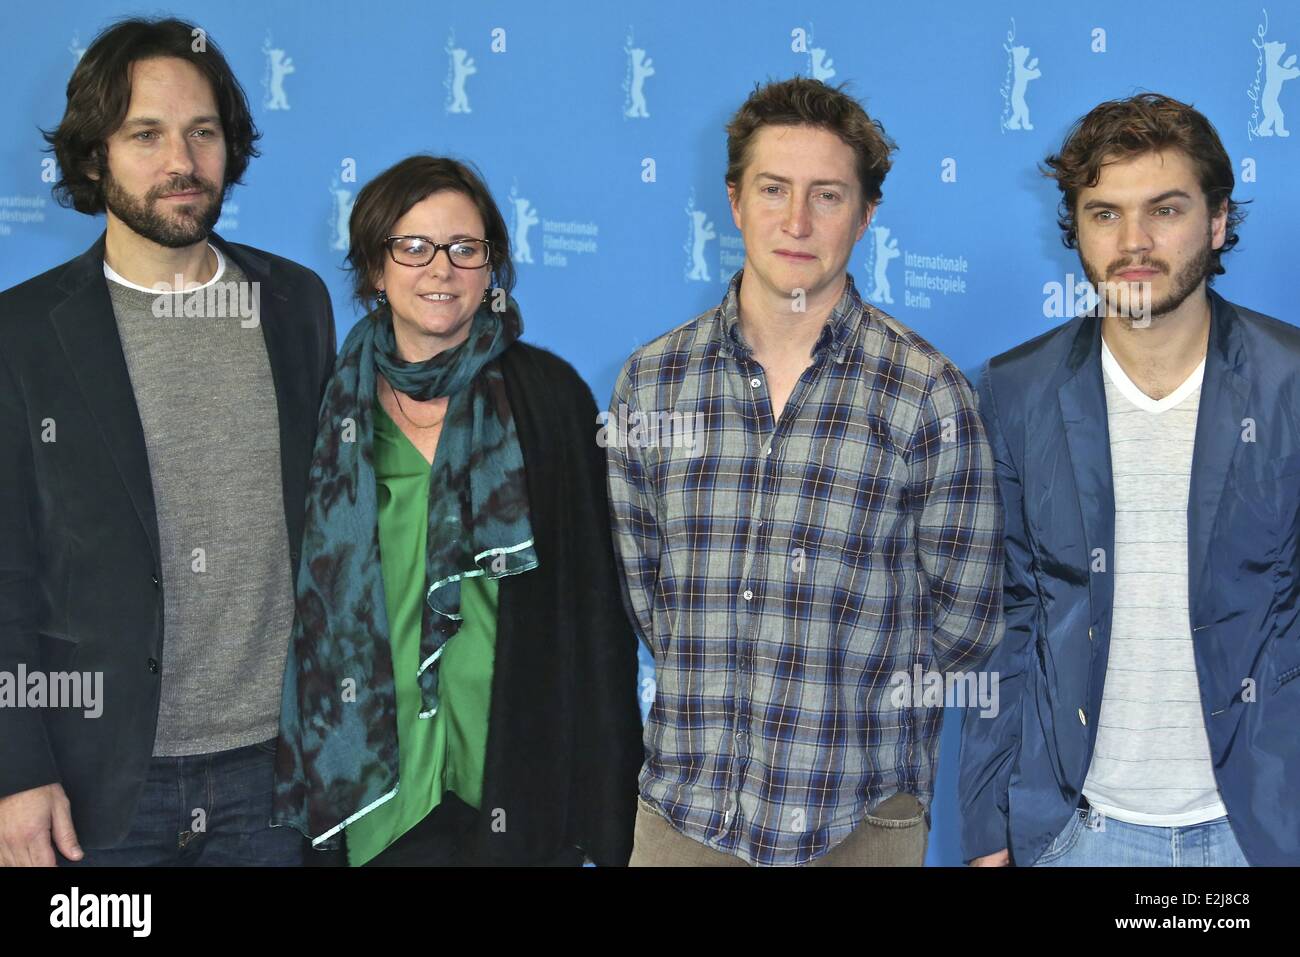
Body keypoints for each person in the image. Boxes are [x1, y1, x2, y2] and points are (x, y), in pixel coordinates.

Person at [607, 77, 1004, 867]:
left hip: (860, 823)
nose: (796, 222)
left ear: (865, 215)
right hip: (686, 819)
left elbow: (966, 625)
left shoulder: (927, 393)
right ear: (733, 201)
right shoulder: (651, 383)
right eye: (773, 190)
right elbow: (649, 593)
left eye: (827, 196)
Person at [0, 17, 335, 867]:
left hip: (277, 779)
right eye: (145, 135)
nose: (181, 163)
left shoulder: (294, 302)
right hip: (96, 788)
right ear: (91, 158)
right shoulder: (24, 334)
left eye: (203, 132)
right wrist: (15, 770)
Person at [272, 155, 643, 866]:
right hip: (371, 784)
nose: (440, 269)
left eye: (464, 249)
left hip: (511, 777)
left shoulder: (549, 397)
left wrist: (601, 798)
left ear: (491, 268)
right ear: (375, 269)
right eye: (413, 247)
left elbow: (595, 609)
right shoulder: (325, 407)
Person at [960, 93, 1300, 867]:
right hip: (1074, 832)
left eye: (1165, 210)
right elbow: (1001, 619)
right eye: (1105, 213)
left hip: (1264, 830)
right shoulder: (1017, 391)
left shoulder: (1291, 384)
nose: (1135, 241)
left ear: (1217, 222)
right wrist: (987, 834)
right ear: (1075, 229)